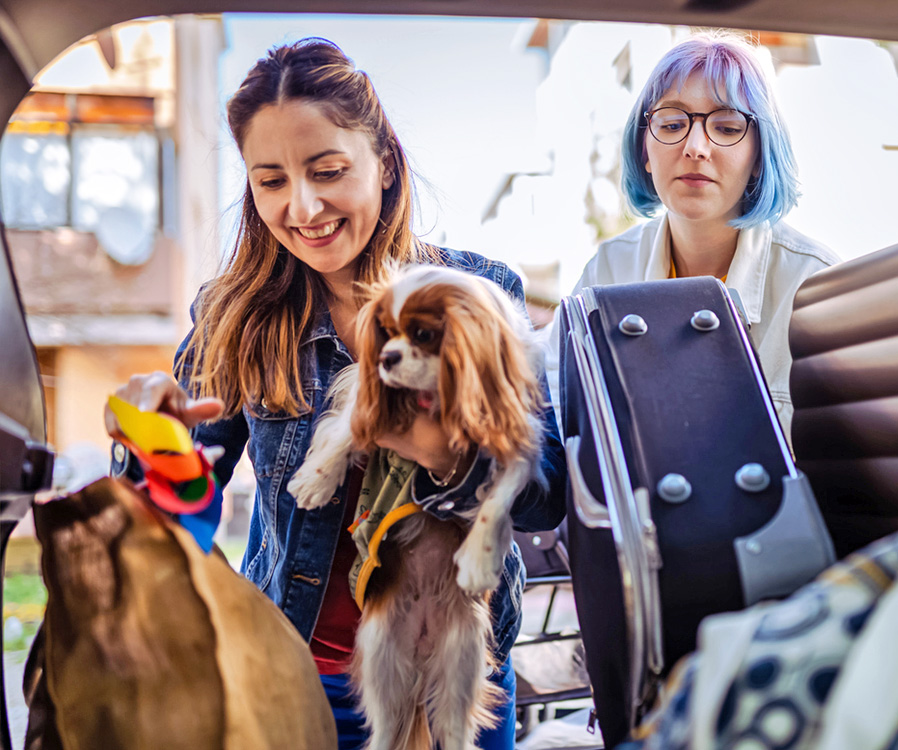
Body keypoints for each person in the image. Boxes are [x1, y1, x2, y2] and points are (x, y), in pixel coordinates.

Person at [104, 38, 566, 750]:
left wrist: (449, 464)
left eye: (327, 170)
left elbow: (545, 494)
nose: (304, 206)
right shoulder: (234, 316)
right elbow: (173, 514)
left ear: (383, 161)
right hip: (297, 678)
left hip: (456, 674)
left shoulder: (482, 294)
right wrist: (150, 442)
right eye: (271, 181)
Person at [547, 31, 839, 441]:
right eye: (671, 123)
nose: (696, 147)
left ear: (759, 156)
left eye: (725, 126)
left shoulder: (813, 288)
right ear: (644, 151)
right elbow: (554, 424)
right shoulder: (608, 270)